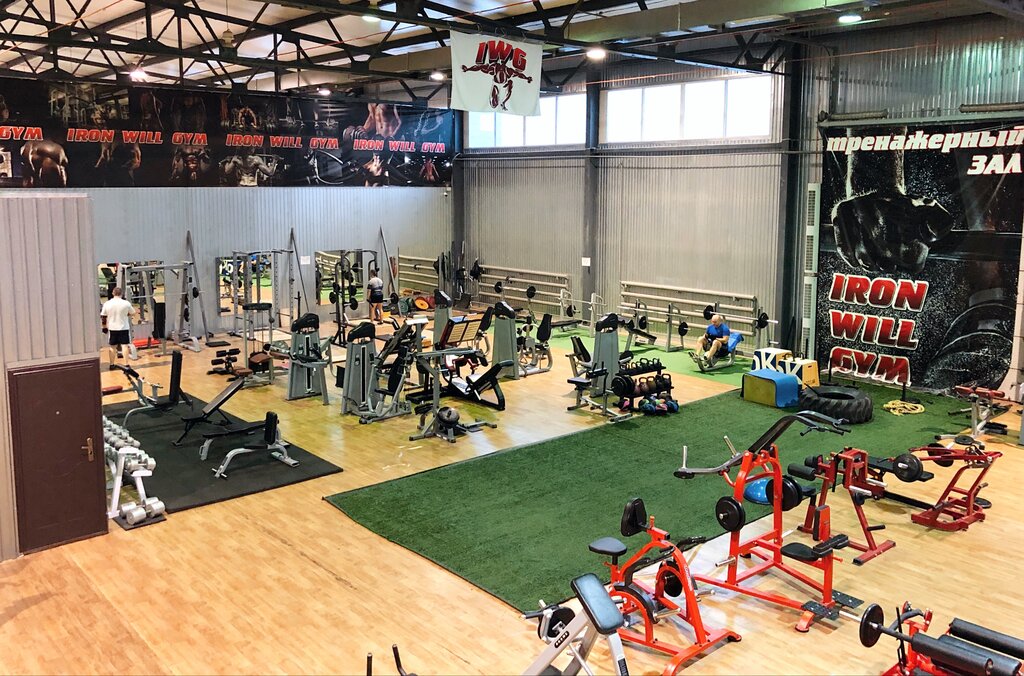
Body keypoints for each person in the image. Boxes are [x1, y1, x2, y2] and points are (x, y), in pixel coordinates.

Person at [100, 287, 137, 367]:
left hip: (112, 328)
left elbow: (103, 317)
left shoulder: (107, 303)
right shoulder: (126, 303)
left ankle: (111, 364)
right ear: (121, 294)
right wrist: (126, 314)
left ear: (113, 293)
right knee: (125, 346)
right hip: (124, 327)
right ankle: (126, 364)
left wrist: (104, 327)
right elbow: (133, 313)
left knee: (112, 347)